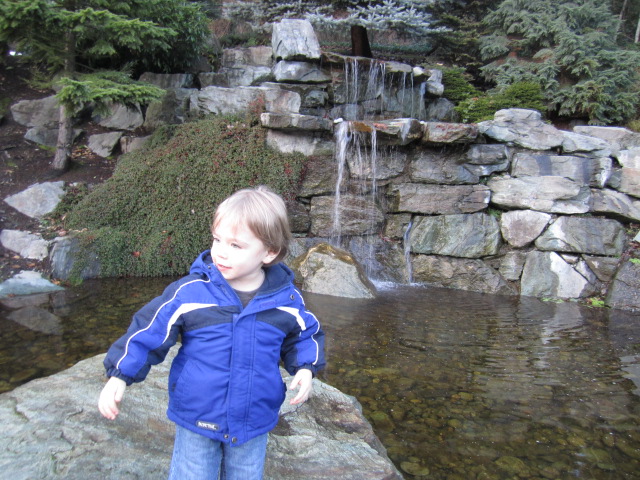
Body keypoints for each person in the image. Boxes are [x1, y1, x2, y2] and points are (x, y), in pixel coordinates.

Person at [98, 185, 325, 480]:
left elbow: (305, 335)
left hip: (254, 415)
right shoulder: (191, 292)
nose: (221, 252)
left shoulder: (285, 299)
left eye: (236, 245)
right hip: (198, 410)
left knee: (246, 474)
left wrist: (306, 367)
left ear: (269, 252)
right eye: (217, 240)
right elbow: (149, 331)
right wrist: (120, 374)